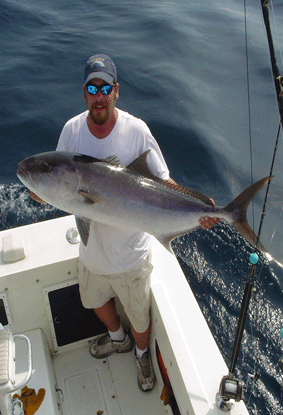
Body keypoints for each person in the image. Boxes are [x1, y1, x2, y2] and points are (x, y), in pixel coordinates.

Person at [30, 53, 219, 392]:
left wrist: (201, 206)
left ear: (116, 91)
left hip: (131, 256)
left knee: (141, 318)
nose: (98, 95)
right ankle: (118, 338)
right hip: (92, 255)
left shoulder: (136, 131)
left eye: (105, 87)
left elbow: (163, 182)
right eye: (92, 87)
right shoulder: (72, 131)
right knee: (94, 300)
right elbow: (58, 185)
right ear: (84, 93)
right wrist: (39, 188)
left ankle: (141, 354)